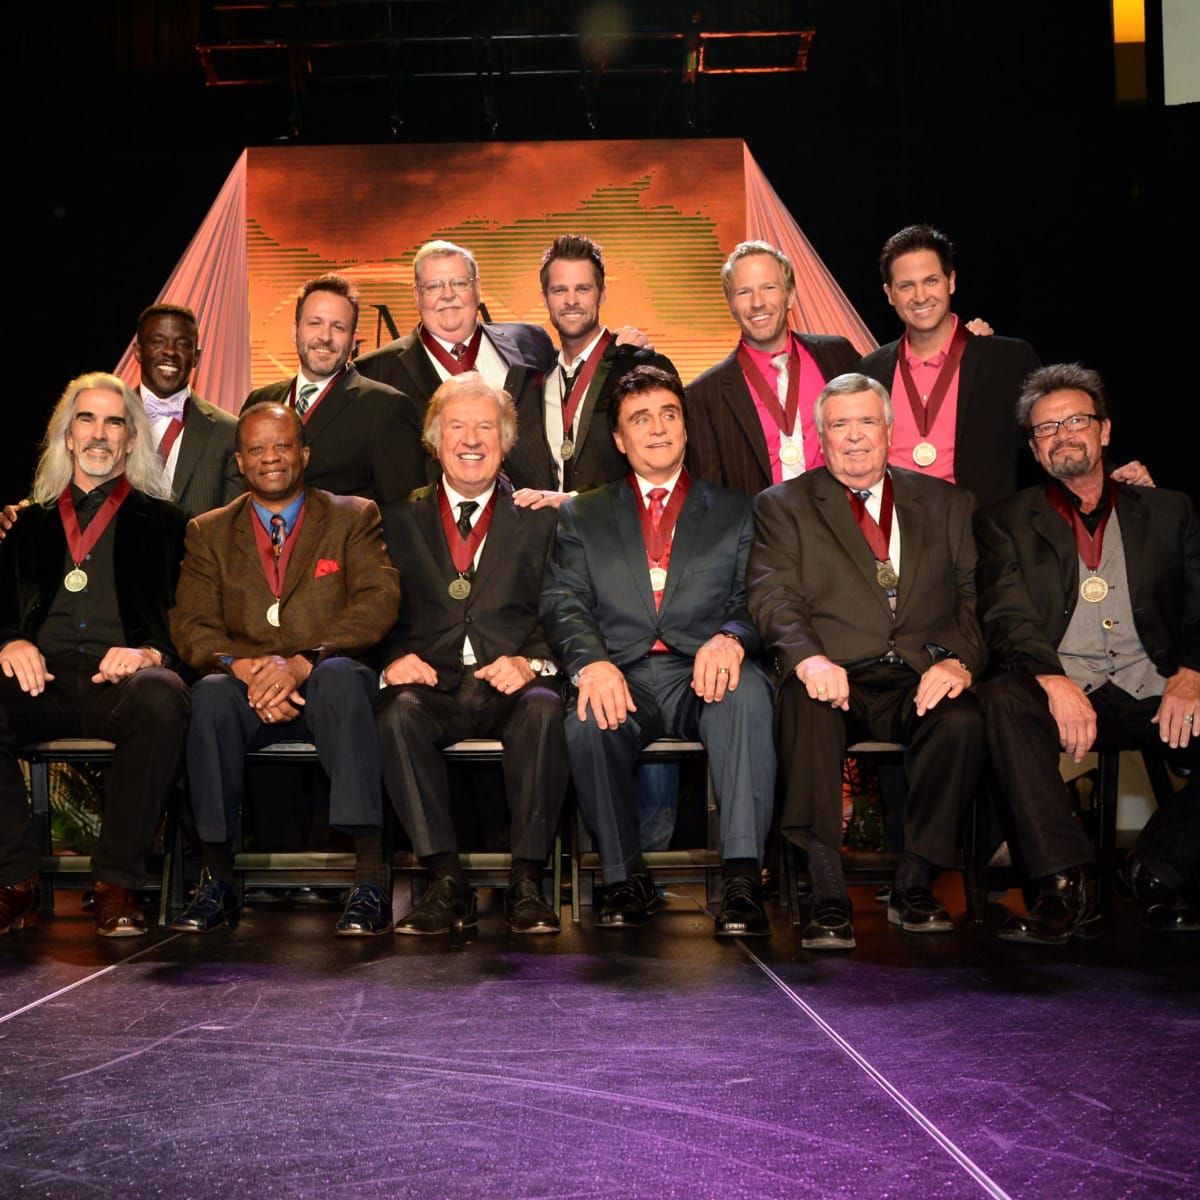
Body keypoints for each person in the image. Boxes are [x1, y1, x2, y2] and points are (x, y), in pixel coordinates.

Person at [747, 373, 986, 951]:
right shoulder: (784, 505)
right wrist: (807, 660)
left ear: (889, 429)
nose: (855, 438)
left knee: (962, 721)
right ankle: (827, 892)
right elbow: (772, 595)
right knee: (804, 709)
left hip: (918, 673)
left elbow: (975, 600)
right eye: (840, 425)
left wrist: (959, 663)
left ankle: (915, 884)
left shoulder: (949, 503)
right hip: (834, 672)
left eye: (866, 422)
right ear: (821, 436)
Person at [542, 365, 776, 937]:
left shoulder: (737, 510)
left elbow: (760, 598)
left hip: (704, 666)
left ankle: (743, 880)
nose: (658, 429)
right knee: (586, 718)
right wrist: (591, 662)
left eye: (669, 415)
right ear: (620, 440)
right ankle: (626, 879)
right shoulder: (583, 513)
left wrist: (732, 637)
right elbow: (562, 600)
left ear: (686, 428)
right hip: (621, 668)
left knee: (747, 696)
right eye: (640, 420)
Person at [975, 363, 1200, 941]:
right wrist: (1051, 679)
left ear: (1104, 431)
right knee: (1002, 699)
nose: (1063, 434)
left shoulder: (1170, 510)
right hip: (1062, 688)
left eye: (1076, 420)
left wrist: (1192, 672)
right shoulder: (1004, 521)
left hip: (1153, 685)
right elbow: (1006, 615)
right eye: (1047, 429)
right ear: (1033, 448)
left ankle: (1152, 870)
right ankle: (1064, 886)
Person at [168, 403, 400, 936]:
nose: (270, 457)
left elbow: (377, 602)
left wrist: (303, 662)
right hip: (245, 685)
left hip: (325, 676)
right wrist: (246, 668)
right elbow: (191, 626)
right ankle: (219, 879)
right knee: (206, 696)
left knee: (343, 678)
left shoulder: (352, 515)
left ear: (305, 454)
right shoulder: (207, 532)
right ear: (240, 463)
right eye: (257, 449)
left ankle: (369, 879)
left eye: (282, 446)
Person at [0, 373, 189, 937]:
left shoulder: (167, 524)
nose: (99, 434)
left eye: (114, 422)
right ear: (67, 436)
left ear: (132, 440)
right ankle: (16, 881)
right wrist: (9, 641)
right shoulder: (28, 523)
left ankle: (117, 884)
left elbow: (195, 622)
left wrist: (151, 651)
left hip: (121, 681)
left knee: (163, 698)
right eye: (87, 419)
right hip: (45, 679)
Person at [377, 374, 567, 935]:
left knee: (544, 709)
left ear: (507, 442)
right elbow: (367, 608)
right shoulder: (395, 519)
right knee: (395, 713)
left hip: (510, 680)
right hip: (432, 683)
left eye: (486, 427)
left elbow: (567, 607)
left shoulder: (542, 518)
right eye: (457, 426)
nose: (471, 439)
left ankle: (528, 883)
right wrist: (391, 658)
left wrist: (532, 661)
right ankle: (445, 881)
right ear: (435, 440)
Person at [859, 224, 1153, 507]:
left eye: (931, 280)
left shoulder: (1005, 359)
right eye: (906, 286)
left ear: (951, 282)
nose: (920, 296)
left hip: (982, 538)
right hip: (894, 538)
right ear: (889, 294)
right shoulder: (871, 371)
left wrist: (1110, 472)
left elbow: (1051, 430)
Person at [505, 234, 677, 505]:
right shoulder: (526, 384)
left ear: (602, 293)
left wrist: (576, 502)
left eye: (583, 289)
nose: (571, 300)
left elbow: (666, 467)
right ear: (545, 298)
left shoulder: (641, 368)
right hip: (543, 543)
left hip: (617, 539)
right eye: (560, 290)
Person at [685, 240, 861, 497]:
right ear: (730, 303)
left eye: (768, 288)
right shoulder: (703, 396)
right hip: (760, 532)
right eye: (744, 292)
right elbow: (713, 498)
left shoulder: (838, 356)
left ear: (789, 295)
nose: (757, 303)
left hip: (844, 523)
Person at [242, 273, 425, 504]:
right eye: (315, 323)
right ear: (295, 330)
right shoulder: (259, 402)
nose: (325, 337)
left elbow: (405, 516)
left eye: (338, 327)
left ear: (353, 340)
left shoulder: (387, 408)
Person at [355, 240, 554, 435]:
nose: (448, 295)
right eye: (434, 286)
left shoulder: (531, 342)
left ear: (477, 289)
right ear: (417, 296)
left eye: (459, 283)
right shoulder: (374, 372)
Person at [133, 303, 242, 517]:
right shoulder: (109, 420)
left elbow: (232, 528)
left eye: (183, 345)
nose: (170, 352)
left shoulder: (229, 431)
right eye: (158, 342)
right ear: (138, 351)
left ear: (197, 357)